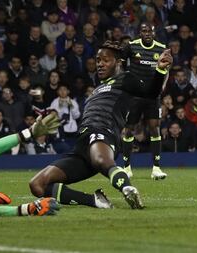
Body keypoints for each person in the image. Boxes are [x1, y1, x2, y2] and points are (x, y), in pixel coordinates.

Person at [28, 41, 173, 210]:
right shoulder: (98, 88)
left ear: (118, 63)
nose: (100, 64)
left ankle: (127, 188)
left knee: (101, 159)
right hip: (82, 146)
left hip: (104, 132)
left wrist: (160, 69)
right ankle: (95, 200)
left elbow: (151, 92)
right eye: (98, 60)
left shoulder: (125, 79)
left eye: (105, 60)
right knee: (37, 184)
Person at [121, 23, 168, 180]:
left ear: (154, 33)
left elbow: (166, 68)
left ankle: (156, 168)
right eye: (144, 31)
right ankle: (126, 167)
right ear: (139, 33)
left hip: (152, 96)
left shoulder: (161, 48)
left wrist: (162, 84)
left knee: (155, 128)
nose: (147, 33)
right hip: (135, 96)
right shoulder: (131, 46)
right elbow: (120, 66)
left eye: (150, 31)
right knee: (129, 129)